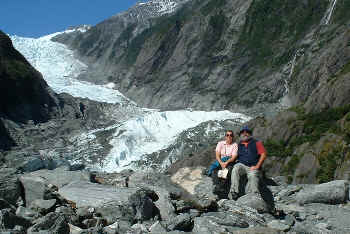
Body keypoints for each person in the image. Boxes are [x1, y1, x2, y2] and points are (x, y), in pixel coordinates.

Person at [228, 126, 267, 200]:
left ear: (250, 134)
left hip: (253, 166)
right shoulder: (238, 145)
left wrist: (257, 166)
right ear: (240, 135)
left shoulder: (256, 143)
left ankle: (254, 195)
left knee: (252, 175)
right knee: (236, 168)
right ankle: (234, 192)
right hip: (242, 164)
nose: (245, 134)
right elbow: (234, 155)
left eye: (247, 132)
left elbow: (263, 154)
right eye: (243, 132)